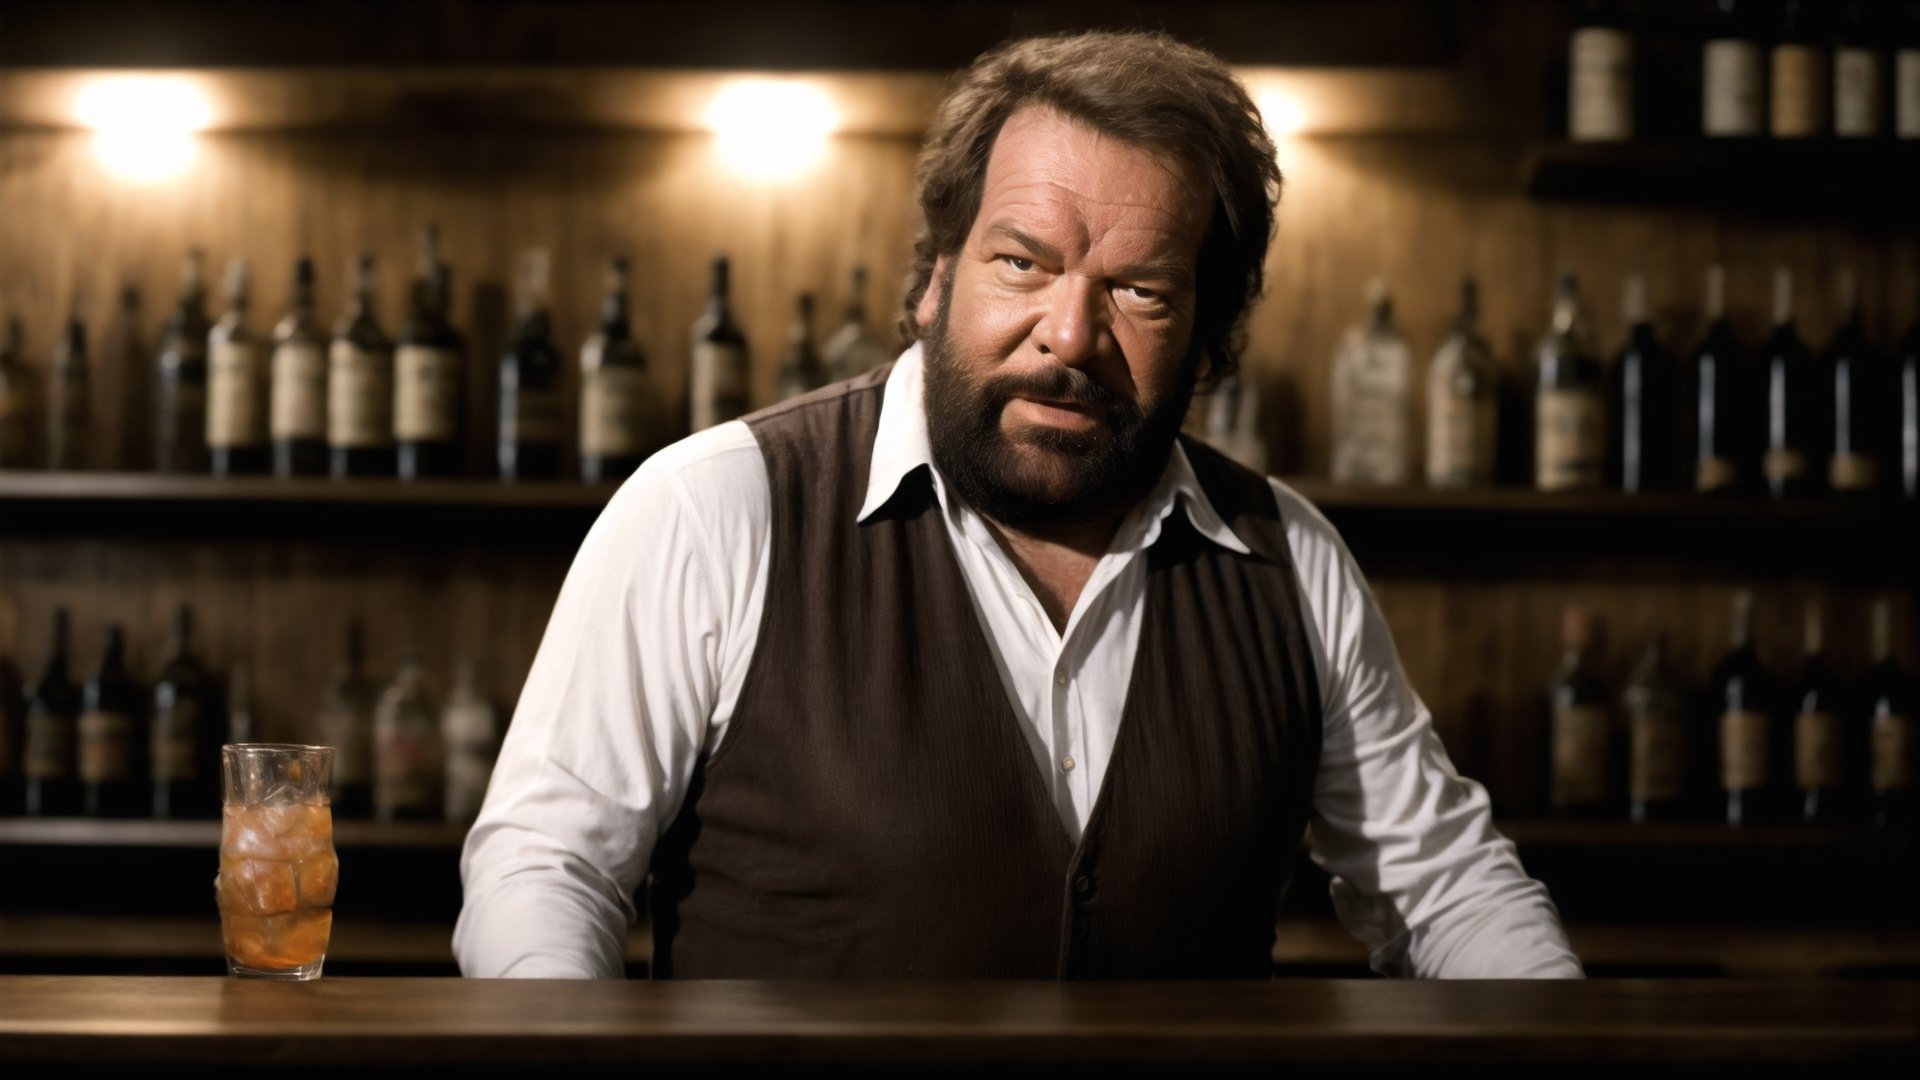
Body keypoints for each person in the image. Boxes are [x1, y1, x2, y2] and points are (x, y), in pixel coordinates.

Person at [455, 30, 1584, 981]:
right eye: (1022, 263)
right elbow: (544, 872)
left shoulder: (1288, 558)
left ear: (1208, 334)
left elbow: (1448, 892)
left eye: (1140, 291)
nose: (1070, 336)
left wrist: (1573, 1049)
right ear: (935, 277)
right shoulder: (715, 509)